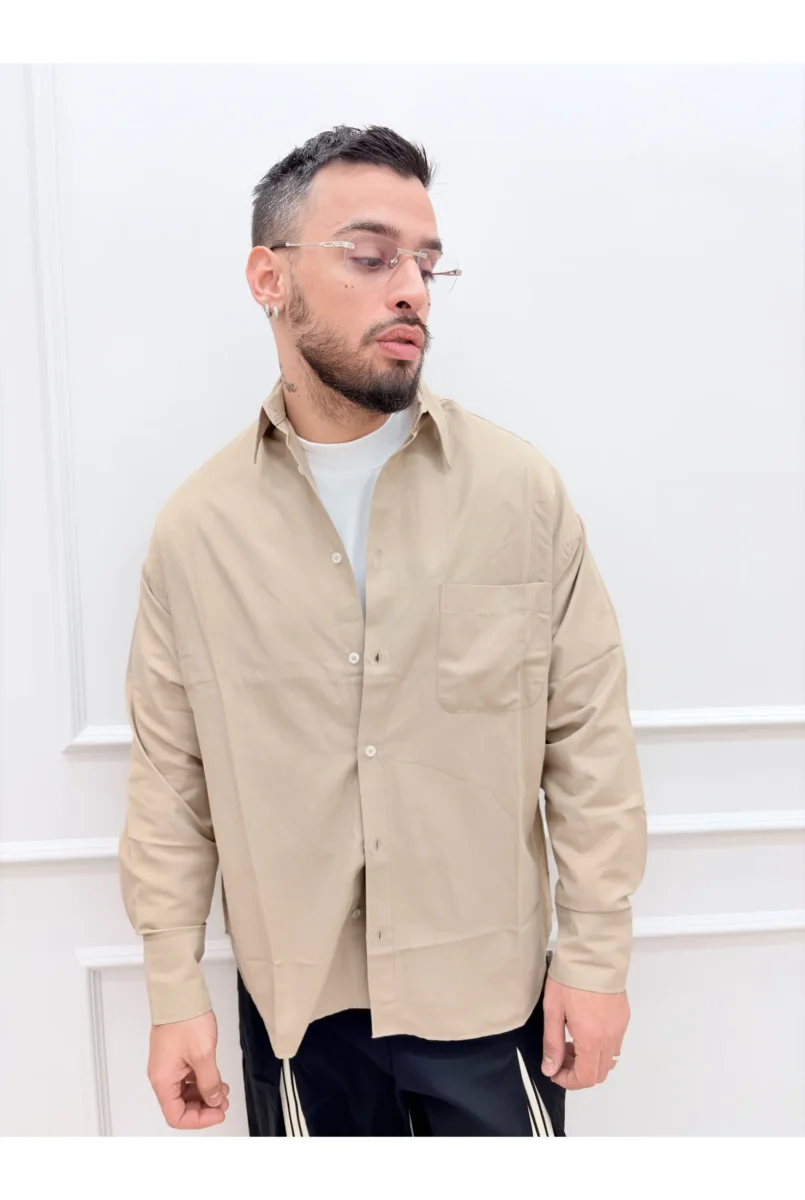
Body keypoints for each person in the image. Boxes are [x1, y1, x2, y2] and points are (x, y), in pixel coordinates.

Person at [120, 124, 647, 1137]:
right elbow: (170, 783)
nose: (412, 289)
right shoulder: (197, 529)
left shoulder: (517, 494)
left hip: (490, 1001)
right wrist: (170, 988)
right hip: (299, 1013)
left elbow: (587, 742)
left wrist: (594, 960)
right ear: (269, 277)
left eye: (425, 263)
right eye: (370, 256)